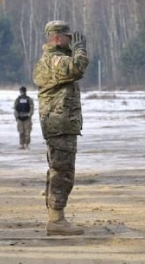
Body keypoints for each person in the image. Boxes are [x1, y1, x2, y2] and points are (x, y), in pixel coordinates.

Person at [33, 20, 88, 236]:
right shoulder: (54, 60)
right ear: (57, 38)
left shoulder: (53, 59)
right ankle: (56, 220)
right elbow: (77, 68)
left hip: (59, 122)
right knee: (63, 171)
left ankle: (55, 217)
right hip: (60, 123)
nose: (70, 40)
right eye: (67, 36)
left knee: (58, 168)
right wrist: (80, 50)